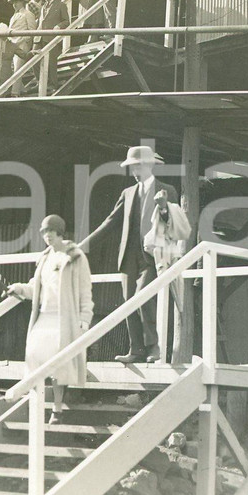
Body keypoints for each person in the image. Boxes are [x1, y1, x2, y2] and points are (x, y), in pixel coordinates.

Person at [80, 146, 179, 364]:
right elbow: (109, 223)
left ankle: (154, 347)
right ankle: (136, 350)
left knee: (144, 296)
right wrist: (82, 247)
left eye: (139, 165)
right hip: (128, 256)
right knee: (128, 302)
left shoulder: (167, 190)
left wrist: (163, 208)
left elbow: (175, 223)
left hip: (152, 255)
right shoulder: (127, 193)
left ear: (150, 165)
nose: (135, 171)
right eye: (132, 167)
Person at [7, 215, 93, 424]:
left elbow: (85, 290)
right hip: (44, 316)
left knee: (59, 364)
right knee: (34, 356)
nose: (47, 236)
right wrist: (18, 288)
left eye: (50, 231)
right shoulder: (44, 259)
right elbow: (35, 288)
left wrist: (84, 319)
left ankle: (57, 409)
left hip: (65, 318)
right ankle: (35, 409)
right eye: (44, 232)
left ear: (60, 232)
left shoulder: (75, 256)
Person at [142, 187, 192, 363]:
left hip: (175, 265)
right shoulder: (155, 218)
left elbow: (176, 229)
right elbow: (150, 242)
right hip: (159, 265)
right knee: (157, 306)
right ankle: (159, 351)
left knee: (178, 307)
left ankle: (171, 353)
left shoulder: (176, 213)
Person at [0, 0, 38, 96]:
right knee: (12, 69)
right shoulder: (14, 16)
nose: (14, 4)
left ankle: (15, 93)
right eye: (13, 2)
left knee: (17, 69)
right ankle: (22, 90)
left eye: (17, 2)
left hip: (21, 45)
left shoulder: (28, 14)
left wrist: (24, 41)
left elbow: (32, 31)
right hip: (12, 45)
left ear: (22, 2)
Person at [35, 0, 69, 93]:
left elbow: (66, 21)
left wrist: (58, 26)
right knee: (33, 59)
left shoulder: (61, 5)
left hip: (51, 38)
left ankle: (53, 84)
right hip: (39, 37)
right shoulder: (43, 6)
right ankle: (39, 82)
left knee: (51, 62)